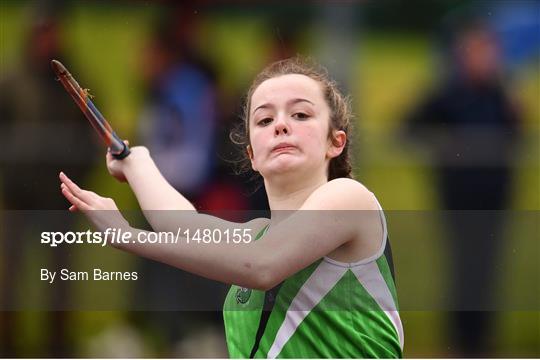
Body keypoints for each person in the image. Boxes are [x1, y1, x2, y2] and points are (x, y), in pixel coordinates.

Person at [58, 57, 404, 358]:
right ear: (252, 154)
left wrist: (128, 236)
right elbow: (183, 227)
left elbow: (261, 266)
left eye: (300, 114)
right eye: (265, 120)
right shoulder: (258, 237)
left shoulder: (348, 198)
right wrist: (138, 164)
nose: (281, 124)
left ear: (335, 142)